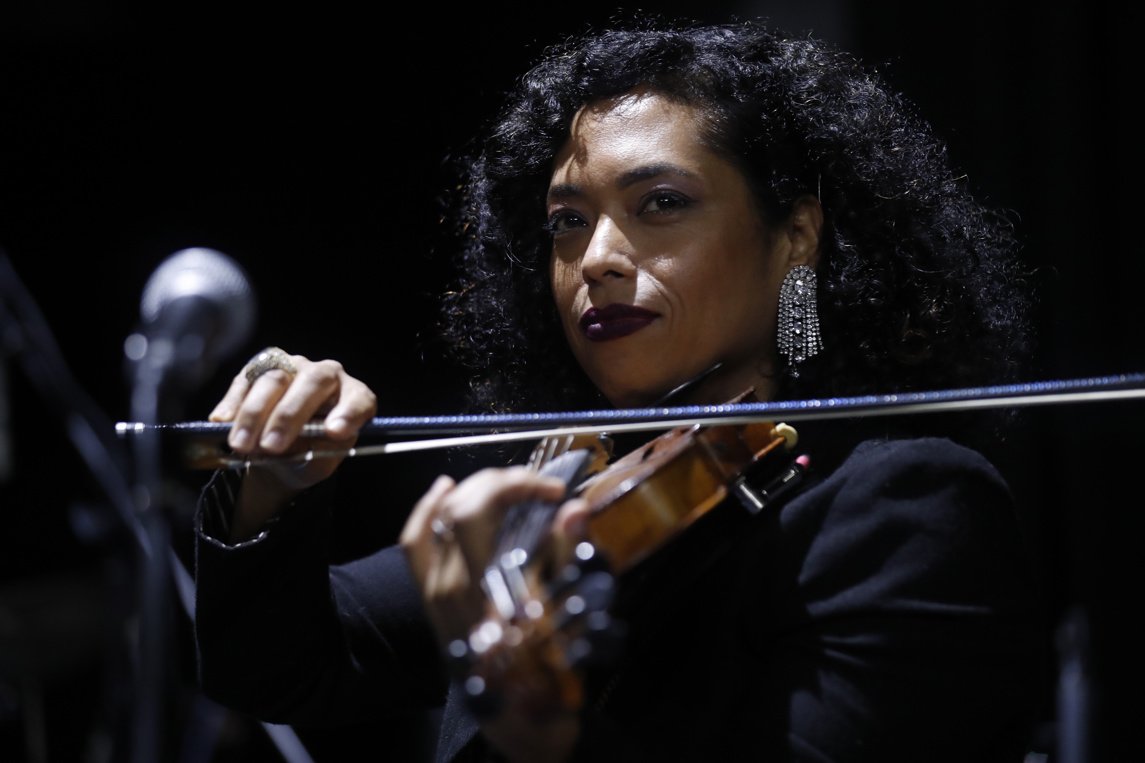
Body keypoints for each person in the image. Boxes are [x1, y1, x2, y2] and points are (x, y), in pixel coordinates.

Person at [191, 16, 1052, 762]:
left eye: (661, 203)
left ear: (795, 236)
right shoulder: (575, 491)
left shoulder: (902, 504)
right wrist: (272, 484)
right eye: (568, 220)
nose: (594, 257)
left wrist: (544, 737)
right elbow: (275, 663)